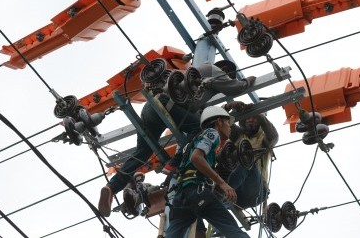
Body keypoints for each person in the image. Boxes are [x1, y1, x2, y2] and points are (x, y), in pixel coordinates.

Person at [98, 61, 255, 217]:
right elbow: (238, 87)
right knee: (200, 131)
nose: (226, 81)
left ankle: (111, 188)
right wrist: (250, 79)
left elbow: (204, 113)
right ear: (225, 69)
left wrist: (227, 107)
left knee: (142, 153)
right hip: (165, 104)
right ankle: (175, 163)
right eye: (228, 77)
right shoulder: (215, 71)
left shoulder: (197, 84)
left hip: (150, 108)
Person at [165, 106, 250, 238]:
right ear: (219, 122)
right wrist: (222, 183)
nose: (230, 127)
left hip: (181, 196)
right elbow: (196, 158)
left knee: (173, 234)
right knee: (231, 228)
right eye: (228, 122)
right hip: (196, 191)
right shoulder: (212, 133)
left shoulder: (192, 142)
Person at [223, 101, 279, 209]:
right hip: (236, 191)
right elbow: (219, 122)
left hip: (255, 192)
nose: (250, 119)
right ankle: (218, 197)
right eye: (248, 117)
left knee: (247, 161)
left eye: (254, 118)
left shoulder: (264, 139)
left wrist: (257, 112)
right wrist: (228, 106)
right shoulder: (238, 134)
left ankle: (223, 192)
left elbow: (273, 136)